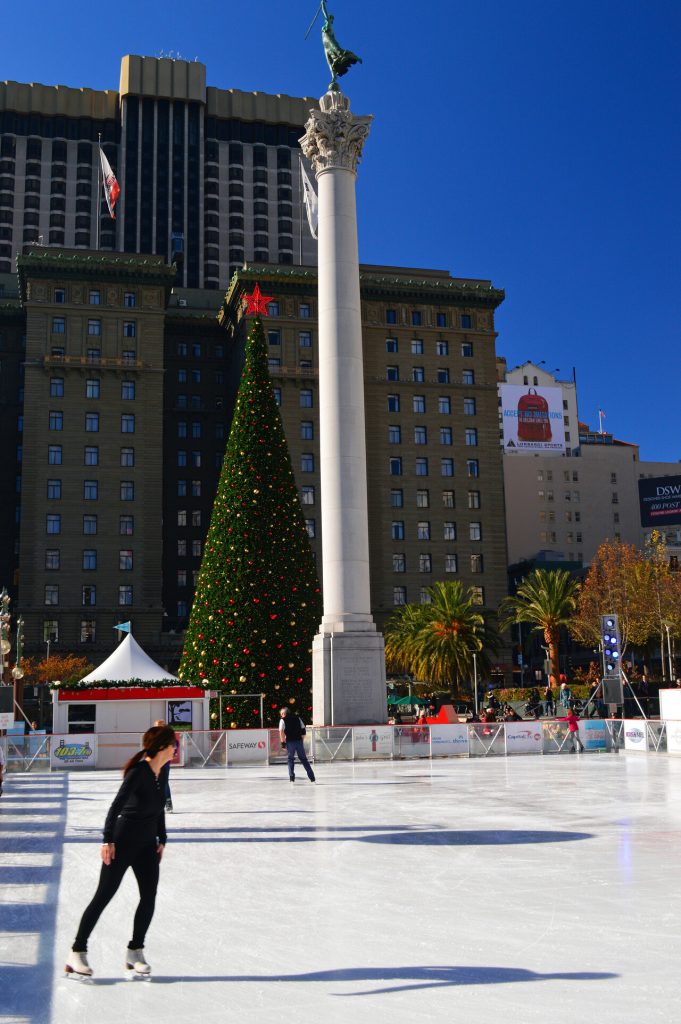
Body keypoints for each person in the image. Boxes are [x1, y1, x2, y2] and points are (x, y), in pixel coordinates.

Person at [65, 724, 176, 978]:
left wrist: (163, 838)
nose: (175, 749)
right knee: (103, 895)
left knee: (149, 897)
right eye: (173, 745)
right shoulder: (138, 772)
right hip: (123, 842)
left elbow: (159, 809)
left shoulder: (162, 772)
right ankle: (77, 952)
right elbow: (116, 805)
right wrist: (107, 840)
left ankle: (135, 951)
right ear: (161, 746)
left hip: (148, 845)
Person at [279, 708, 315, 783]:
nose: (281, 715)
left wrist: (283, 743)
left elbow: (281, 731)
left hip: (290, 742)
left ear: (283, 714)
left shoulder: (283, 720)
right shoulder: (298, 718)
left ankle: (291, 777)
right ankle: (312, 777)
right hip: (299, 741)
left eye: (281, 714)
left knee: (290, 759)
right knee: (304, 759)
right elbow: (303, 730)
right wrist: (301, 739)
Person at [154, 719, 175, 813]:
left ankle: (168, 803)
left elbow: (175, 745)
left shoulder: (167, 737)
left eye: (159, 726)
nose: (158, 728)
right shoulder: (154, 736)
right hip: (156, 763)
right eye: (156, 727)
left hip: (165, 764)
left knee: (165, 783)